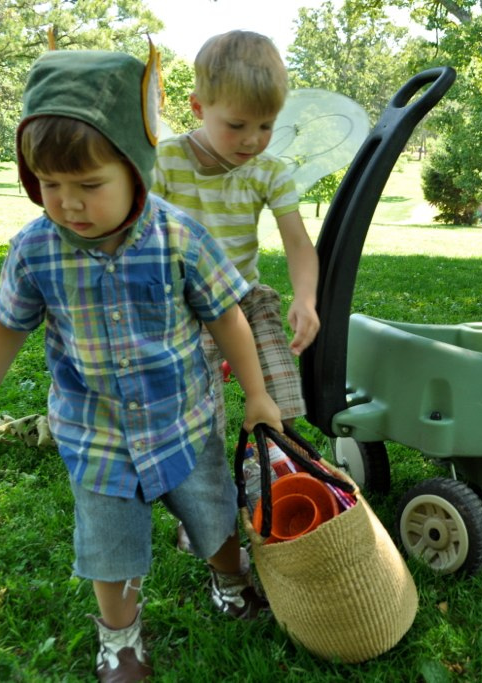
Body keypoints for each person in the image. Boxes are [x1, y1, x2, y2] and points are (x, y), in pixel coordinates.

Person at [0, 50, 283, 682]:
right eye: (50, 185)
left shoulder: (179, 237)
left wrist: (258, 395)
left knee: (213, 513)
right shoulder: (34, 249)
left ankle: (229, 584)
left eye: (89, 185)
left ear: (136, 167)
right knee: (109, 540)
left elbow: (227, 317)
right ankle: (121, 641)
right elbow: (7, 323)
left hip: (184, 421)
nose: (68, 203)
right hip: (94, 430)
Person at [152, 30, 320, 549]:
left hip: (242, 296)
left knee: (277, 396)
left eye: (266, 125)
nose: (253, 139)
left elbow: (297, 241)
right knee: (202, 418)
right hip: (182, 303)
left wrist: (305, 297)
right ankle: (204, 504)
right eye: (237, 125)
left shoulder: (268, 170)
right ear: (199, 107)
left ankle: (273, 473)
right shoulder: (167, 161)